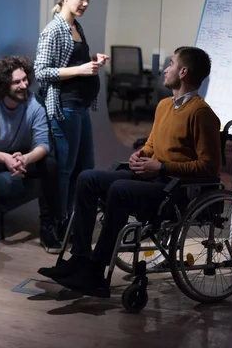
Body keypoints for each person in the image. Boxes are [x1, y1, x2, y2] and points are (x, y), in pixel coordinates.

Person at [38, 46, 221, 296]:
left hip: (174, 188)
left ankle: (95, 271)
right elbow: (153, 144)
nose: (165, 69)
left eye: (171, 63)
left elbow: (209, 167)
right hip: (152, 177)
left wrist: (163, 166)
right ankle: (80, 259)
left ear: (184, 72)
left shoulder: (201, 114)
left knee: (120, 188)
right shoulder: (165, 105)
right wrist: (142, 154)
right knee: (88, 178)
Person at [34, 0, 108, 239]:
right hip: (64, 108)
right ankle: (58, 223)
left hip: (80, 107)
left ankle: (76, 219)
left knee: (84, 167)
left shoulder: (76, 26)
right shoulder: (53, 29)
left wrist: (92, 61)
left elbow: (71, 63)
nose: (85, 3)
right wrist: (80, 69)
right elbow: (41, 71)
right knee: (65, 169)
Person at [0, 56, 59, 256]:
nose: (24, 85)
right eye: (17, 82)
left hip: (24, 156)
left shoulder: (34, 103)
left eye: (25, 79)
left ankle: (47, 228)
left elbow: (44, 144)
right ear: (3, 85)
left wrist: (25, 159)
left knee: (50, 163)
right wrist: (5, 158)